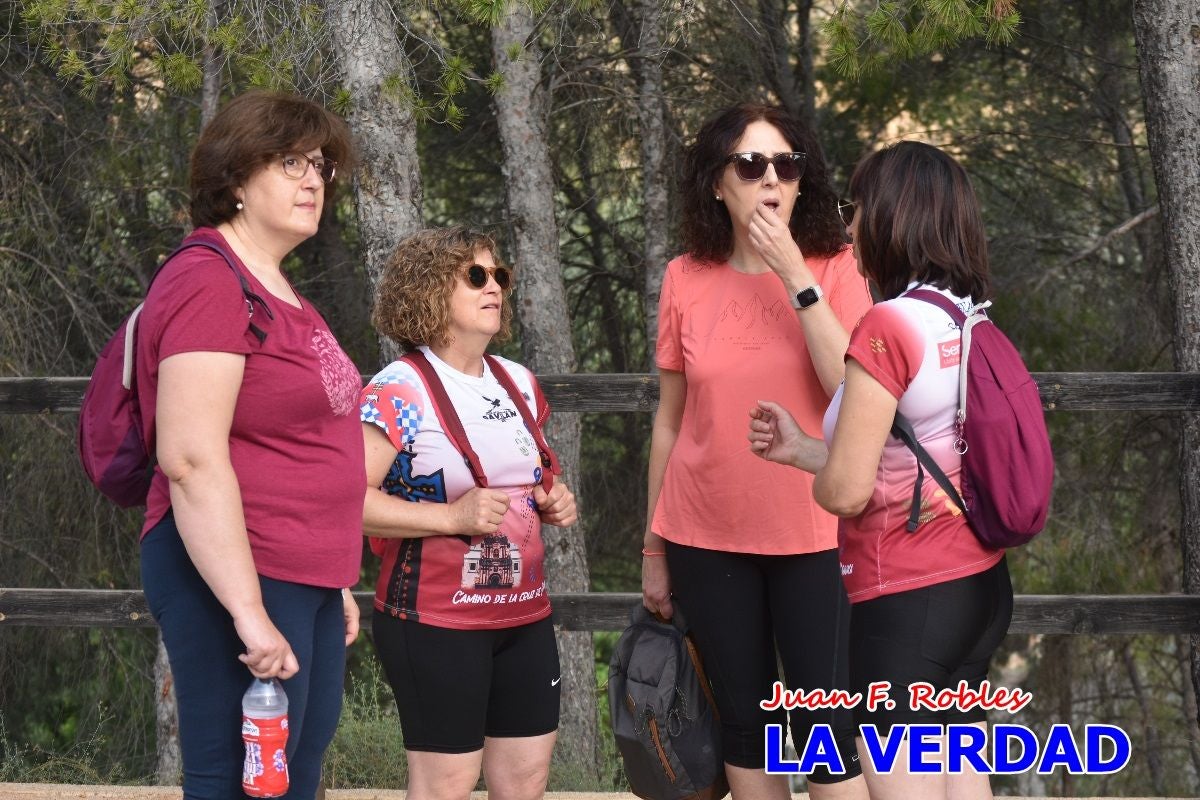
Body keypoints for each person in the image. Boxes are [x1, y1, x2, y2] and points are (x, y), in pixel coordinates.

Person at [748, 141, 1014, 800]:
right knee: (960, 776)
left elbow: (848, 490)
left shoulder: (887, 327)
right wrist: (804, 449)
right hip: (977, 588)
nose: (849, 228)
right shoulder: (964, 316)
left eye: (855, 210)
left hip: (906, 598)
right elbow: (910, 455)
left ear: (892, 217)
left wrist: (821, 477)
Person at [136, 91, 365, 799]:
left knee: (293, 776)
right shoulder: (209, 281)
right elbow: (189, 458)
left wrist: (333, 580)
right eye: (291, 162)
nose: (313, 179)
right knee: (240, 783)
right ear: (236, 176)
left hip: (304, 574)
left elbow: (305, 440)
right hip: (240, 570)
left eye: (321, 166)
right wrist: (247, 610)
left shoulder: (275, 285)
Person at [642, 103, 872, 799]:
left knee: (828, 731)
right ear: (718, 183)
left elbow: (851, 391)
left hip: (817, 533)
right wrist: (653, 547)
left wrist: (792, 271)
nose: (771, 178)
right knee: (744, 727)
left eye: (786, 164)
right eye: (750, 164)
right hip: (704, 534)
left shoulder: (837, 268)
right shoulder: (685, 276)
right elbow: (670, 421)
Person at [359, 227, 578, 800]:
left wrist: (554, 498)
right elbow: (345, 503)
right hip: (436, 620)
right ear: (430, 291)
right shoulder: (401, 387)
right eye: (475, 276)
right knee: (448, 784)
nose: (494, 287)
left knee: (526, 781)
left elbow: (532, 477)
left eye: (499, 275)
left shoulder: (518, 381)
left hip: (524, 617)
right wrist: (451, 519)